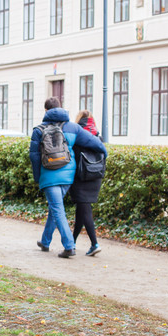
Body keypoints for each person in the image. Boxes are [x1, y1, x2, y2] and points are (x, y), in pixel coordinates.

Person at [29, 98, 107, 258]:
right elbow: (94, 143)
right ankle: (45, 241)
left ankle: (69, 246)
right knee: (55, 207)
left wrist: (38, 178)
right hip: (68, 175)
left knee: (57, 209)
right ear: (61, 108)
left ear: (46, 111)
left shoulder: (38, 130)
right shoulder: (73, 127)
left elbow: (35, 157)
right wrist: (104, 152)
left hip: (49, 174)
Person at [68, 110, 105, 257]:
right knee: (82, 210)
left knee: (85, 210)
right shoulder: (98, 136)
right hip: (95, 176)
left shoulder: (77, 135)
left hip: (81, 177)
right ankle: (72, 242)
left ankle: (94, 243)